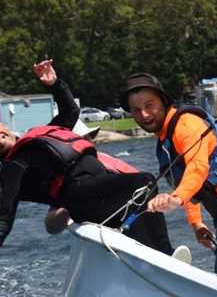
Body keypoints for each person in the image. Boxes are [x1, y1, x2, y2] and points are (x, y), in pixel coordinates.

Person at [0, 60, 174, 254]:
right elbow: (5, 217)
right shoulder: (13, 166)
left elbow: (71, 111)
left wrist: (55, 84)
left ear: (5, 127)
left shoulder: (38, 139)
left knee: (142, 190)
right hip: (81, 199)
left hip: (100, 192)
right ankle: (160, 255)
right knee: (143, 182)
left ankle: (156, 255)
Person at [121, 73, 217, 284]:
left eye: (150, 105)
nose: (145, 114)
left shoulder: (186, 126)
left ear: (164, 101)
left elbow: (198, 168)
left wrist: (175, 199)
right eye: (137, 110)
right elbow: (190, 184)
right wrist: (196, 224)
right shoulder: (166, 139)